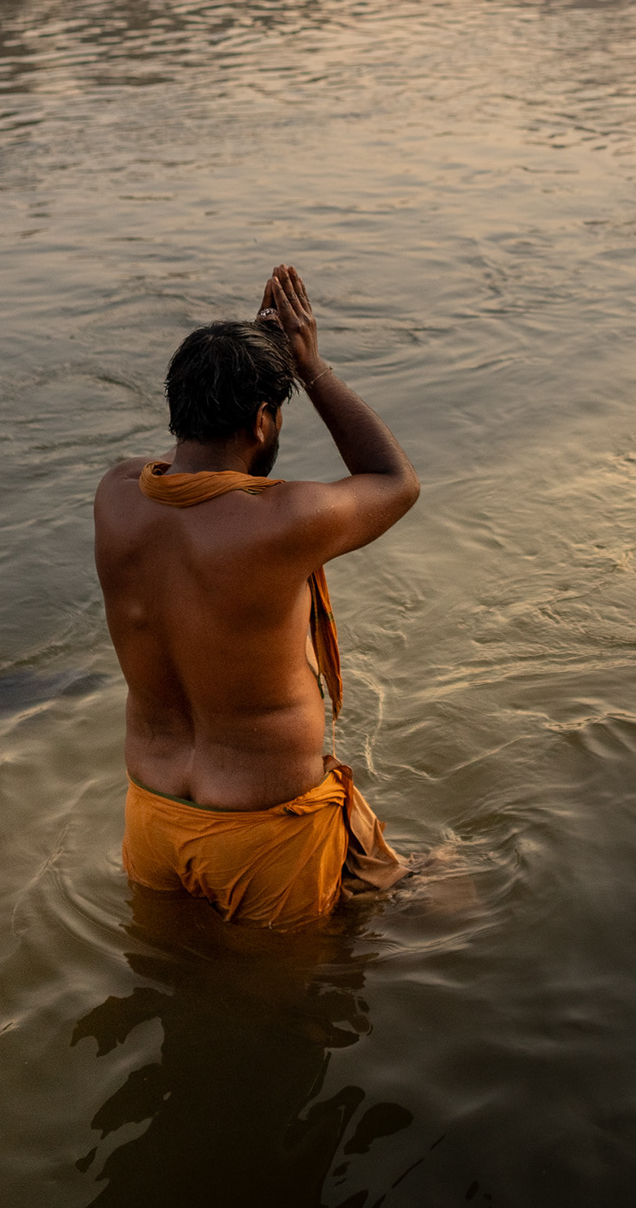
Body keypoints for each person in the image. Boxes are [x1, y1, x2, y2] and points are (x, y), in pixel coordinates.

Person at [93, 263, 419, 930]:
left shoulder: (116, 496)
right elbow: (394, 479)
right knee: (289, 1007)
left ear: (176, 408)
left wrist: (234, 366)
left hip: (151, 815)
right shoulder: (286, 518)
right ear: (263, 422)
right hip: (264, 834)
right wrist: (311, 364)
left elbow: (187, 478)